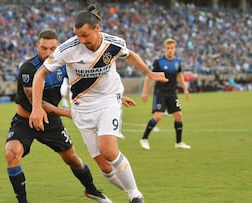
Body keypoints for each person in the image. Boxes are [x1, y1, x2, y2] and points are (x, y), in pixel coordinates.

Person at [29, 5, 168, 203]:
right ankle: (129, 190)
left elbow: (131, 56)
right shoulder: (68, 49)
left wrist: (149, 73)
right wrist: (36, 107)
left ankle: (135, 196)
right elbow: (40, 74)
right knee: (104, 166)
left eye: (85, 35)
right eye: (78, 36)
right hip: (82, 109)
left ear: (97, 28)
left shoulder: (114, 43)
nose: (82, 40)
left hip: (108, 101)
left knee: (109, 150)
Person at [5, 29, 111, 203]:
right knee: (11, 153)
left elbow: (86, 84)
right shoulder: (28, 69)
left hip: (51, 123)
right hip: (26, 120)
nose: (47, 52)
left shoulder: (64, 65)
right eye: (43, 48)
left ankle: (91, 190)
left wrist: (113, 96)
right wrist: (68, 113)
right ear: (37, 46)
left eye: (52, 48)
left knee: (72, 159)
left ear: (58, 47)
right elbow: (38, 105)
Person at [139, 38, 191, 150]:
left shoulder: (177, 62)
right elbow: (149, 76)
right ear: (165, 49)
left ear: (175, 49)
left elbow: (180, 75)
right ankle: (144, 139)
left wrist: (185, 89)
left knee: (178, 116)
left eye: (172, 48)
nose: (170, 50)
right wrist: (145, 91)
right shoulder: (159, 62)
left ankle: (179, 142)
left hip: (172, 93)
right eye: (168, 48)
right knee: (158, 116)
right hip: (160, 93)